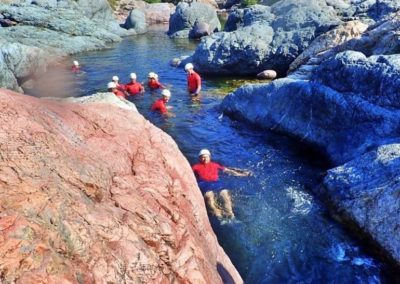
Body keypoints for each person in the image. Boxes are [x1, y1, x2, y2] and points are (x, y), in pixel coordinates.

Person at [192, 149, 251, 219]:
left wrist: (242, 174)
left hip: (216, 182)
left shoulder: (215, 165)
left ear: (209, 157)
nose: (205, 159)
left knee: (225, 194)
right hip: (204, 183)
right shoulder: (195, 167)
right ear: (199, 158)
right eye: (202, 157)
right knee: (209, 196)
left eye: (206, 157)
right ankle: (218, 215)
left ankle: (230, 214)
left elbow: (228, 170)